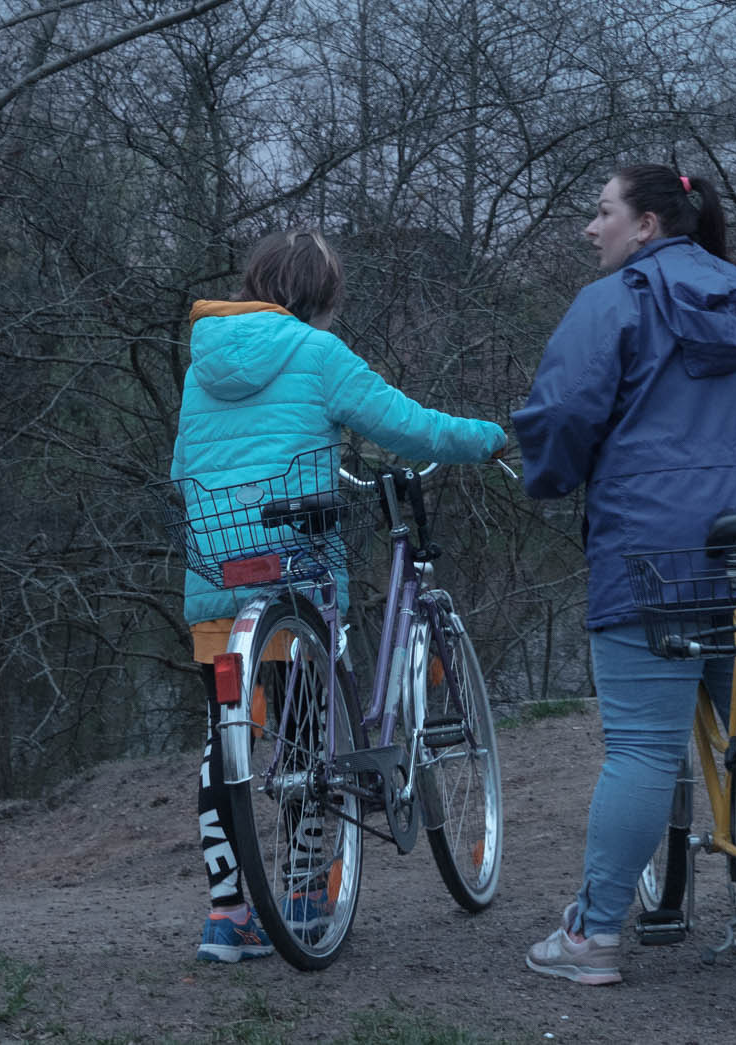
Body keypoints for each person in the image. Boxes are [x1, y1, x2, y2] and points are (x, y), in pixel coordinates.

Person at [511, 165, 736, 986]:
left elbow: (565, 413)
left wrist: (552, 474)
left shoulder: (610, 304)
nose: (589, 227)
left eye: (600, 210)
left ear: (646, 225)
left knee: (642, 747)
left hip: (655, 552)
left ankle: (594, 935)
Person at [171, 227, 505, 962]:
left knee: (228, 741)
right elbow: (405, 426)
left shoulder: (203, 363)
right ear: (318, 300)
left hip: (220, 575)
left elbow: (184, 463)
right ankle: (301, 896)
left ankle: (227, 916)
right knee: (308, 744)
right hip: (293, 570)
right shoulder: (316, 352)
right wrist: (490, 437)